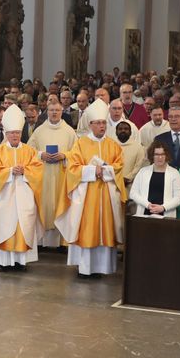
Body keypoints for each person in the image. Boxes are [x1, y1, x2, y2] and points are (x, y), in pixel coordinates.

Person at [55, 100, 126, 277]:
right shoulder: (80, 144)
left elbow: (119, 166)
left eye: (104, 123)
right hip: (87, 197)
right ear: (90, 125)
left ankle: (103, 268)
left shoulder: (113, 145)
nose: (102, 126)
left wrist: (106, 171)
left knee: (105, 230)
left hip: (107, 196)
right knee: (87, 230)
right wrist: (93, 171)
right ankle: (85, 268)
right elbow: (73, 168)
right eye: (98, 123)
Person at [0, 104, 44, 271]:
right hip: (3, 197)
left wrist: (25, 171)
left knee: (23, 226)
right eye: (12, 133)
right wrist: (10, 171)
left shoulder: (30, 151)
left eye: (17, 133)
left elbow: (38, 171)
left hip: (23, 197)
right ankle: (2, 261)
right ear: (6, 134)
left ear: (21, 133)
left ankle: (19, 261)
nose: (15, 135)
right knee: (3, 224)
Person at [27, 100, 78, 248]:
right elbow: (29, 151)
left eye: (57, 110)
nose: (54, 113)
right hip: (43, 176)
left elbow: (77, 153)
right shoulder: (39, 131)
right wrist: (40, 154)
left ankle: (62, 243)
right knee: (43, 206)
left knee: (61, 206)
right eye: (51, 110)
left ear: (62, 112)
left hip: (62, 176)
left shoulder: (69, 131)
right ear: (47, 112)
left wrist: (65, 155)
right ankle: (42, 242)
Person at [130, 140, 180, 218]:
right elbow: (133, 193)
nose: (160, 157)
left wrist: (163, 207)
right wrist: (147, 205)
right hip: (144, 213)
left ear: (167, 155)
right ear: (152, 156)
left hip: (166, 214)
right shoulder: (143, 171)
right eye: (157, 154)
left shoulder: (174, 173)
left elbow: (179, 198)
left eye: (162, 154)